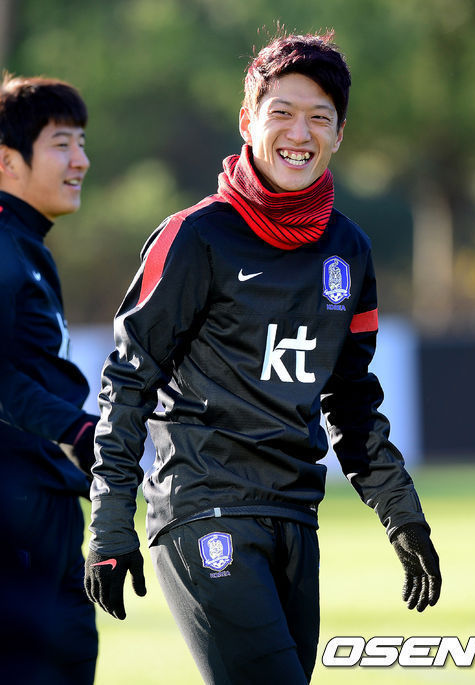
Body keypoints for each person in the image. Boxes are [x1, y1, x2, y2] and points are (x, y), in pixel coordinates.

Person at [85, 31, 441, 684]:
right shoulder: (195, 236)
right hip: (203, 510)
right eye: (282, 112)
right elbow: (127, 382)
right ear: (249, 121)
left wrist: (402, 515)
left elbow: (351, 400)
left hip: (294, 516)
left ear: (339, 135)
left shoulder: (349, 251)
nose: (299, 133)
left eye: (319, 118)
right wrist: (110, 525)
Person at [0, 74, 98, 684]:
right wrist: (76, 429)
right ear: (7, 161)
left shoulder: (25, 244)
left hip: (44, 512)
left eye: (81, 143)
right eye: (62, 144)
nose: (80, 160)